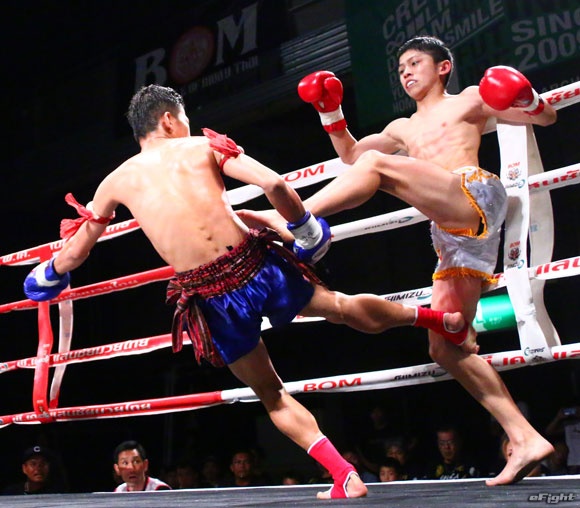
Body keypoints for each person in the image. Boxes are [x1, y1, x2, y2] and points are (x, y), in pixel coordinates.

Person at [22, 84, 469, 499]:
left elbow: (76, 252)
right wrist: (305, 228)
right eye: (185, 119)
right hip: (254, 264)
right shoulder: (203, 146)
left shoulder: (115, 181)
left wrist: (48, 274)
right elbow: (274, 184)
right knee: (340, 306)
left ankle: (344, 476)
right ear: (168, 120)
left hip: (210, 296)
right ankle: (438, 319)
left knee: (272, 393)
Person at [238, 35, 556, 486]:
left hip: (472, 193)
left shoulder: (468, 99)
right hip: (451, 232)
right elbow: (351, 156)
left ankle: (295, 219)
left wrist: (527, 97)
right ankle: (524, 438)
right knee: (445, 345)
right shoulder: (401, 128)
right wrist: (330, 111)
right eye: (401, 67)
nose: (406, 72)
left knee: (378, 168)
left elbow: (544, 116)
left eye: (415, 63)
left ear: (443, 67)